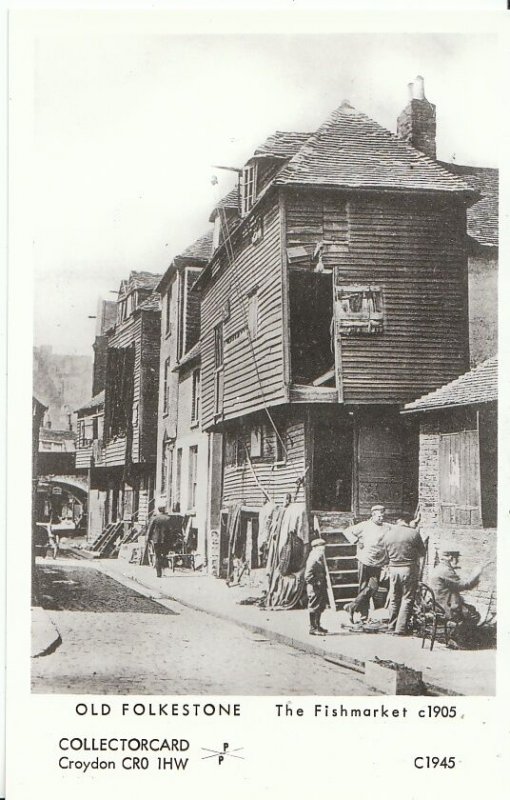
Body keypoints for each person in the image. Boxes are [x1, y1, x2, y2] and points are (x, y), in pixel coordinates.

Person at [430, 542, 485, 646]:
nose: (458, 560)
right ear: (450, 557)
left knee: (470, 609)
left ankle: (455, 635)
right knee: (473, 615)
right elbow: (464, 585)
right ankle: (457, 638)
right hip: (445, 606)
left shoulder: (439, 568)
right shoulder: (446, 570)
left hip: (438, 603)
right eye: (456, 557)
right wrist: (477, 573)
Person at [343, 505, 390, 625]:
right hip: (365, 560)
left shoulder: (387, 527)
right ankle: (364, 616)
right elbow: (347, 531)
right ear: (373, 515)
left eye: (383, 515)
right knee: (364, 587)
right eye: (379, 516)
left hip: (378, 562)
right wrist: (357, 541)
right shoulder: (364, 525)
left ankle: (352, 606)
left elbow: (398, 530)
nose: (381, 518)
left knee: (373, 588)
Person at [383, 522, 426, 635]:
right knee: (407, 598)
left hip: (393, 568)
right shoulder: (413, 533)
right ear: (407, 523)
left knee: (394, 597)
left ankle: (391, 626)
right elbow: (422, 552)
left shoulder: (388, 534)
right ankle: (401, 629)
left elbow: (385, 554)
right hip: (408, 568)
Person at [304, 538, 329, 636]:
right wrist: (316, 583)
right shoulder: (313, 559)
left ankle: (318, 626)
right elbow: (307, 576)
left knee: (320, 606)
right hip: (314, 588)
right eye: (320, 548)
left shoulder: (318, 557)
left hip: (320, 586)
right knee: (314, 606)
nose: (322, 550)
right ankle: (313, 628)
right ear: (314, 548)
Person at [146, 500, 174, 578]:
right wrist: (171, 540)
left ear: (158, 510)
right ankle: (164, 571)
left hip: (156, 540)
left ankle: (159, 573)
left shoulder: (155, 518)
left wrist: (148, 538)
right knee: (164, 555)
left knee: (157, 556)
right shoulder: (168, 518)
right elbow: (170, 531)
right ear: (164, 510)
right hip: (165, 540)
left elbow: (150, 529)